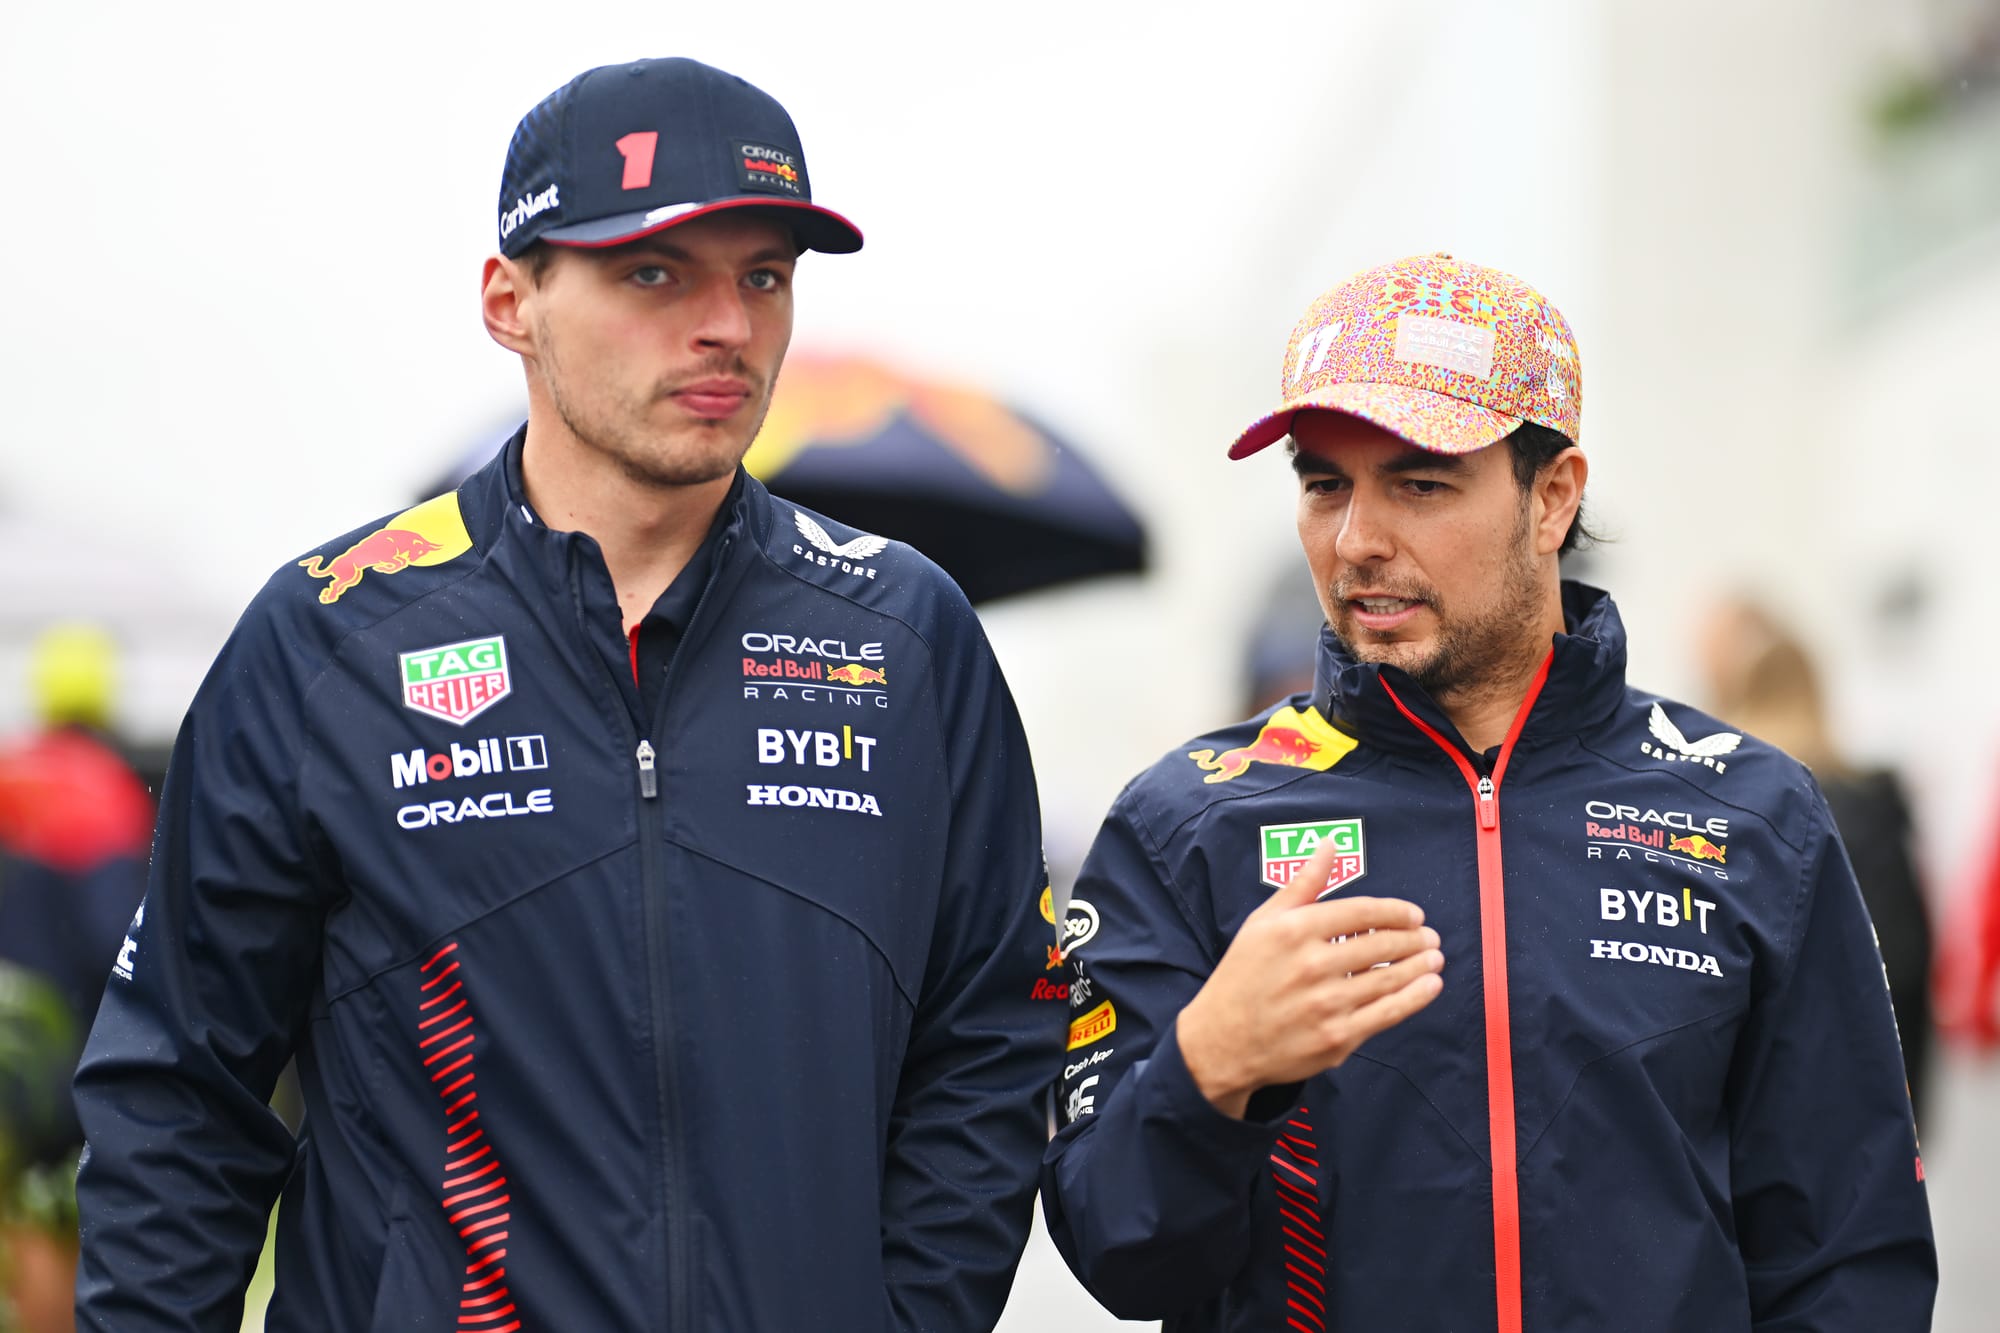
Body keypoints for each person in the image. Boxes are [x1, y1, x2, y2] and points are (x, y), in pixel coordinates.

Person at [72, 57, 1060, 1332]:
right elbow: (177, 1085)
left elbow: (990, 1041)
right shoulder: (331, 637)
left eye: (764, 276)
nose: (727, 326)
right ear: (511, 301)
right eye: (655, 273)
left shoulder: (905, 633)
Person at [1041, 253, 1936, 1331]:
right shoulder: (1185, 821)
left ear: (1552, 497)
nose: (1356, 540)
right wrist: (1209, 1069)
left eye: (1419, 484)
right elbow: (1116, 1253)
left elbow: (1848, 1255)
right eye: (1324, 484)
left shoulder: (1753, 815)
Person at [1695, 598, 1937, 1127]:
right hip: (1858, 1086)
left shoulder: (1719, 805)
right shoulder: (1871, 803)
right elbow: (1907, 960)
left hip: (1756, 1095)